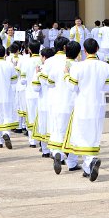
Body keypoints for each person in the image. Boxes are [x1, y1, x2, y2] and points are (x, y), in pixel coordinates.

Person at [62, 37, 109, 181]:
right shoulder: (105, 67)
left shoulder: (78, 67)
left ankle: (90, 161)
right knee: (93, 135)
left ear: (84, 51)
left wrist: (66, 75)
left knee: (81, 135)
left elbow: (72, 87)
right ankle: (87, 167)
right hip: (98, 105)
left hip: (82, 105)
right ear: (97, 49)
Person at [45, 37, 81, 173]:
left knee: (58, 129)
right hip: (74, 103)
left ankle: (57, 153)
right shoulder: (79, 66)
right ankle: (71, 162)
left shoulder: (56, 65)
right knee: (73, 132)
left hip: (58, 102)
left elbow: (49, 83)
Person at [31, 47, 55, 156]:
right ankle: (54, 150)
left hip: (43, 102)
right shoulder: (57, 67)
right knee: (53, 127)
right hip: (54, 102)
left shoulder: (41, 69)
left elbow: (36, 88)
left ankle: (45, 151)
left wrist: (37, 74)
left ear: (44, 57)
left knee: (43, 126)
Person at [22, 40, 42, 147]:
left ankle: (32, 141)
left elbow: (23, 80)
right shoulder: (43, 60)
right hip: (41, 93)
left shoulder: (26, 61)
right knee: (41, 115)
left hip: (30, 92)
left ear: (29, 49)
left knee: (31, 115)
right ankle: (42, 139)